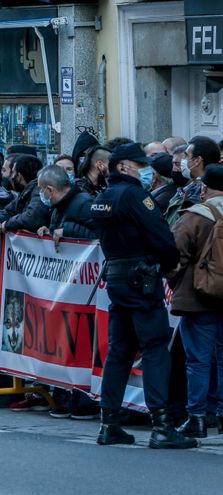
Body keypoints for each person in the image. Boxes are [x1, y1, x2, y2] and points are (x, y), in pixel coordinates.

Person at [91, 142, 197, 449]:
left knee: (120, 350)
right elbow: (162, 238)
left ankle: (108, 423)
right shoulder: (135, 195)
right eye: (140, 165)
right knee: (154, 348)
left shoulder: (104, 197)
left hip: (116, 276)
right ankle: (162, 425)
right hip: (141, 278)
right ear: (123, 167)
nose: (146, 171)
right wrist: (167, 265)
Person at [167, 165, 223, 438]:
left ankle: (197, 417)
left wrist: (176, 281)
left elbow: (173, 255)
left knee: (198, 361)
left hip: (198, 297)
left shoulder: (196, 216)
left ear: (204, 188)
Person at [0, 155, 51, 235]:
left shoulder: (38, 191)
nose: (11, 177)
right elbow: (8, 211)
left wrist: (7, 224)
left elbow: (31, 218)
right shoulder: (24, 193)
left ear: (19, 177)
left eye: (13, 172)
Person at [35, 165, 97, 245]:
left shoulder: (85, 204)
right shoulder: (57, 207)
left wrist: (67, 230)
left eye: (41, 189)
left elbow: (102, 236)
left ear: (50, 190)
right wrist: (49, 232)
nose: (40, 193)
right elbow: (59, 233)